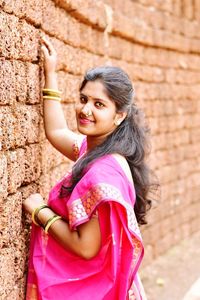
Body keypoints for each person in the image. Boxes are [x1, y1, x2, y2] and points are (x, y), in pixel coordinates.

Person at [22, 36, 154, 300]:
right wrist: (50, 74)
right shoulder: (95, 151)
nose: (85, 110)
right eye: (84, 99)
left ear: (119, 115)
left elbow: (86, 247)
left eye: (99, 104)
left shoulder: (102, 173)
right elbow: (57, 131)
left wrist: (39, 212)